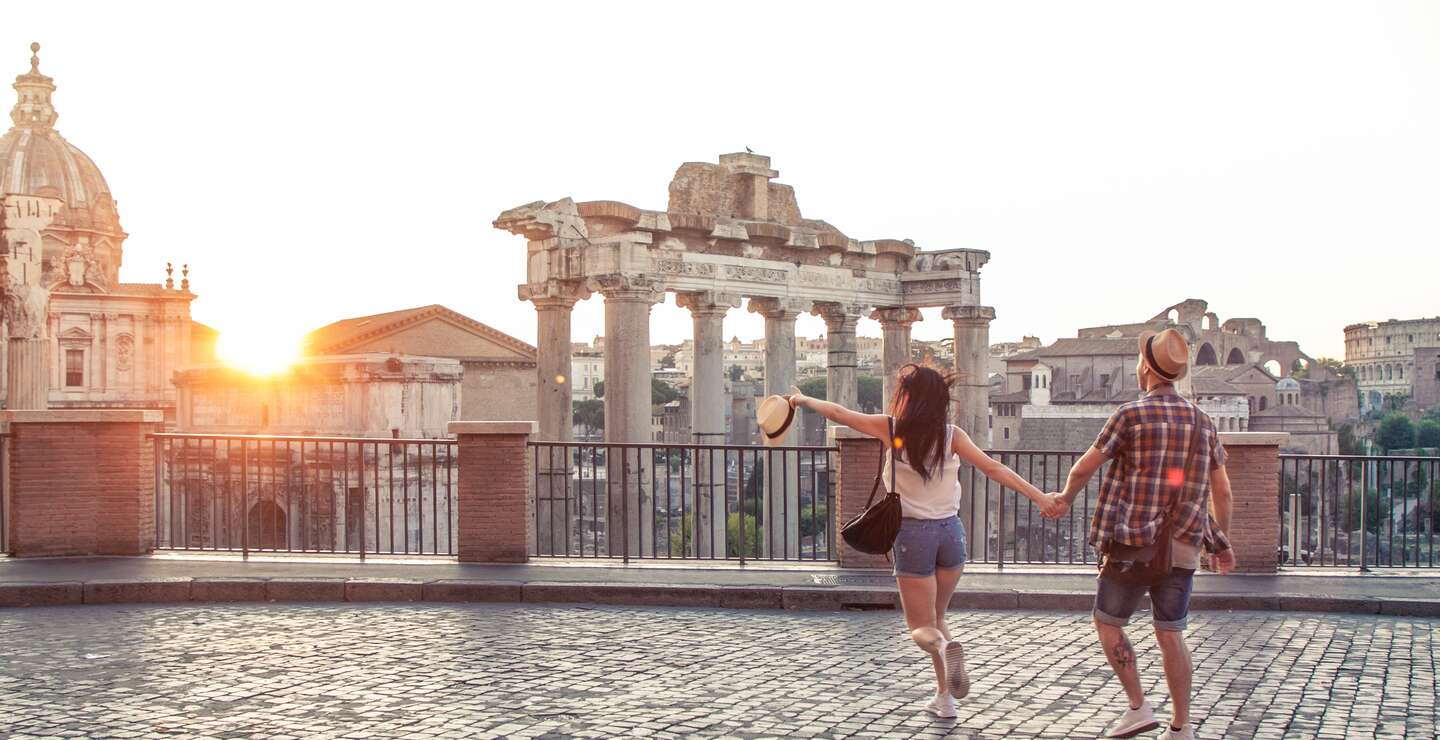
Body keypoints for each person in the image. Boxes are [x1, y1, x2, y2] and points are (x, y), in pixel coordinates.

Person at [788, 363, 1062, 719]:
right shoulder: (952, 435)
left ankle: (945, 649)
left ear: (907, 397)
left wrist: (802, 399)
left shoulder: (891, 428)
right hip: (951, 533)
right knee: (937, 616)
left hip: (914, 535)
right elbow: (994, 469)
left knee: (921, 628)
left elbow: (840, 413)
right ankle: (945, 699)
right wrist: (1040, 497)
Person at [1042, 329, 1235, 740]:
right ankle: (1181, 727)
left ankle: (1138, 706)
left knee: (1108, 624)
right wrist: (1221, 543)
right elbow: (1222, 491)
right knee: (1171, 634)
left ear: (1145, 367)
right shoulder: (1203, 422)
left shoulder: (1130, 415)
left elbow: (1084, 467)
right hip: (1183, 546)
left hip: (1132, 544)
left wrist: (1064, 498)